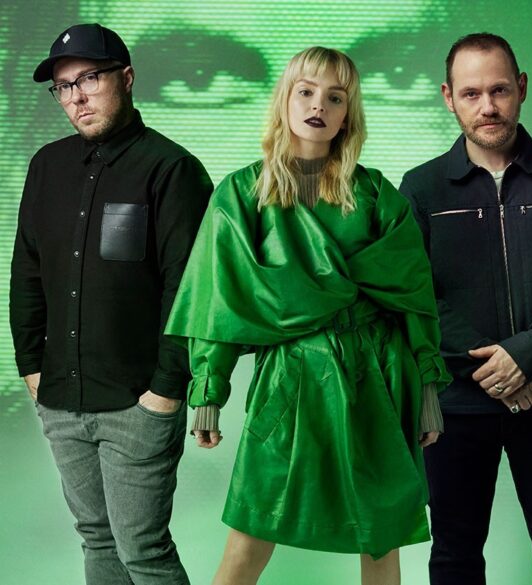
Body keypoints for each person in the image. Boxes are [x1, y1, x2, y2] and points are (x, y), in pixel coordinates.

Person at [165, 46, 451, 585]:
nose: (319, 105)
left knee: (381, 537)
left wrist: (429, 390)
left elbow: (413, 297)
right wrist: (207, 391)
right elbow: (219, 299)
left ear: (347, 116)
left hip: (376, 374)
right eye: (306, 91)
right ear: (285, 100)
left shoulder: (374, 194)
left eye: (335, 97)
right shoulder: (242, 194)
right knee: (249, 537)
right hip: (289, 375)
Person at [9, 23, 213, 585]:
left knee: (143, 551)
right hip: (60, 398)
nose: (76, 97)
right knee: (97, 539)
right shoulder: (46, 166)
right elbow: (28, 270)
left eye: (89, 79)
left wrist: (165, 391)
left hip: (137, 403)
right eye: (63, 86)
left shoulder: (172, 169)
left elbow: (189, 290)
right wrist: (31, 368)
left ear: (126, 78)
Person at [400, 33, 532, 585]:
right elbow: (413, 294)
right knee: (454, 558)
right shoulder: (421, 188)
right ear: (448, 97)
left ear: (521, 87)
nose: (488, 106)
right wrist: (496, 365)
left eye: (499, 90)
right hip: (456, 405)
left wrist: (527, 354)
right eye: (472, 93)